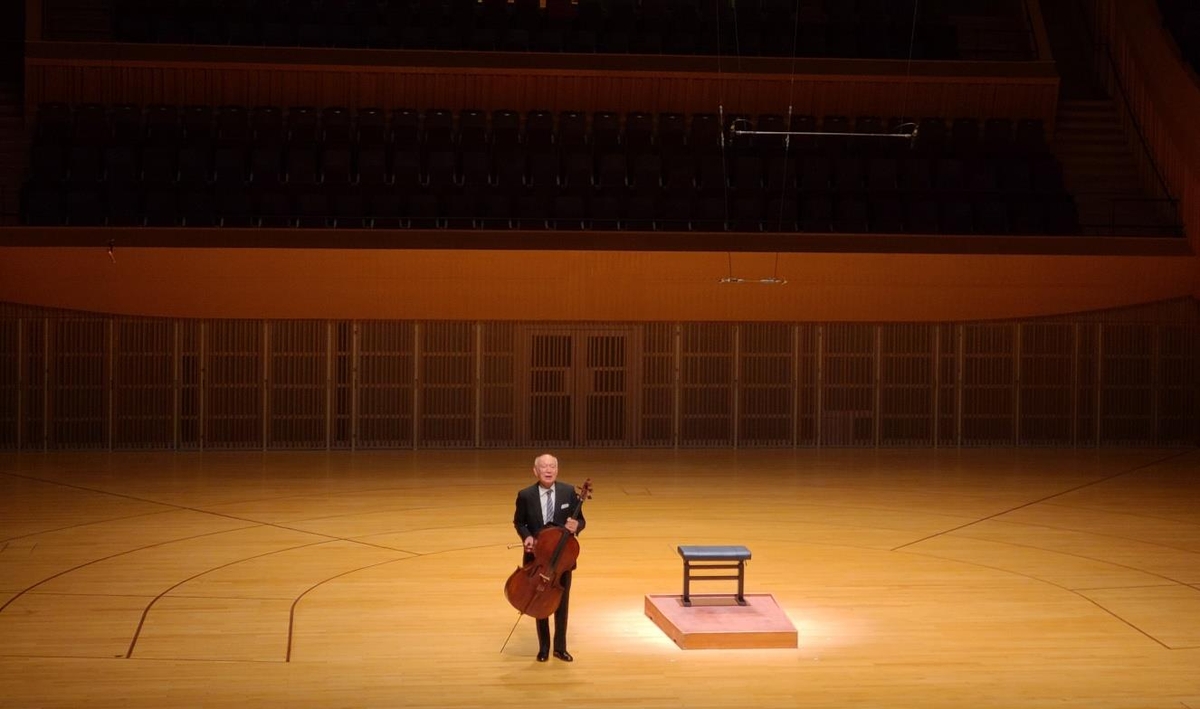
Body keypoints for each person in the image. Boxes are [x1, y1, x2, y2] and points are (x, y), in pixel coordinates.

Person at [512, 453, 586, 662]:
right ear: (535, 471)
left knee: (562, 603)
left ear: (557, 469)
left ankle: (560, 648)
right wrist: (526, 537)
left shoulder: (569, 492)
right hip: (537, 559)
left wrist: (576, 526)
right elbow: (519, 522)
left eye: (552, 466)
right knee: (540, 602)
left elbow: (580, 520)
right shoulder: (525, 495)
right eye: (543, 467)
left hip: (562, 560)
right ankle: (544, 647)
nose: (548, 470)